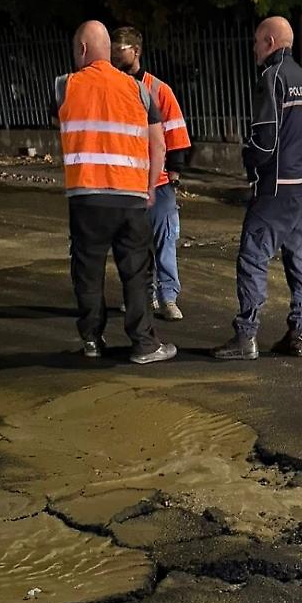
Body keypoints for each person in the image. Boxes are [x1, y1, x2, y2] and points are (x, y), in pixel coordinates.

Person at [53, 20, 175, 364]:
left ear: (81, 49)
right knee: (136, 272)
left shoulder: (64, 86)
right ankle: (144, 344)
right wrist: (150, 188)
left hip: (87, 197)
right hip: (131, 197)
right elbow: (158, 146)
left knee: (87, 271)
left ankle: (92, 340)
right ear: (110, 50)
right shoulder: (139, 91)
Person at [213, 16, 302, 360]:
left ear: (270, 41)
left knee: (252, 258)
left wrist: (249, 161)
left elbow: (264, 139)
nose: (253, 48)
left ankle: (246, 337)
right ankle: (299, 334)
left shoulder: (272, 78)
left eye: (257, 41)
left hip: (275, 188)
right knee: (299, 258)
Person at [110, 26, 192, 321]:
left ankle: (167, 297)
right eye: (112, 50)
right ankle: (140, 295)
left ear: (135, 51)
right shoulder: (111, 88)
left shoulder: (158, 89)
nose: (114, 56)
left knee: (164, 241)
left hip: (157, 182)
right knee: (132, 244)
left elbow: (175, 133)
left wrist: (175, 173)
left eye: (119, 50)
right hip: (125, 182)